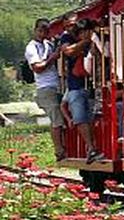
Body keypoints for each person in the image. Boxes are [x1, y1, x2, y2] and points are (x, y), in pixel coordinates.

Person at [56, 19, 103, 164]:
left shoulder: (92, 41)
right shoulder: (66, 38)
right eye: (69, 24)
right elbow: (69, 51)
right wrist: (86, 41)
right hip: (75, 84)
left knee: (90, 117)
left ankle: (93, 148)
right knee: (80, 117)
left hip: (90, 84)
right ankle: (91, 147)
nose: (72, 27)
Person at [23, 19, 64, 160]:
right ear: (35, 30)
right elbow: (37, 68)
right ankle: (59, 151)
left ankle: (63, 147)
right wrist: (52, 58)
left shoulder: (48, 44)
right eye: (41, 30)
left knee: (62, 116)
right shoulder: (31, 48)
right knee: (56, 119)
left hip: (56, 84)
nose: (43, 33)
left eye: (46, 30)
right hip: (45, 87)